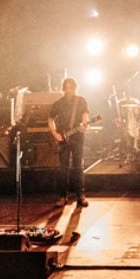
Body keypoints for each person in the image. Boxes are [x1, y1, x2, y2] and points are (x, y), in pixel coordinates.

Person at [49, 79, 93, 208]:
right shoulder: (58, 103)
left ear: (75, 88)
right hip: (63, 138)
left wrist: (85, 125)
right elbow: (50, 119)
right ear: (63, 89)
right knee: (63, 168)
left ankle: (80, 195)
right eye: (66, 88)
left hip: (78, 136)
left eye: (71, 88)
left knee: (78, 166)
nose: (69, 90)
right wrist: (55, 134)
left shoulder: (81, 101)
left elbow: (85, 116)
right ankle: (63, 196)